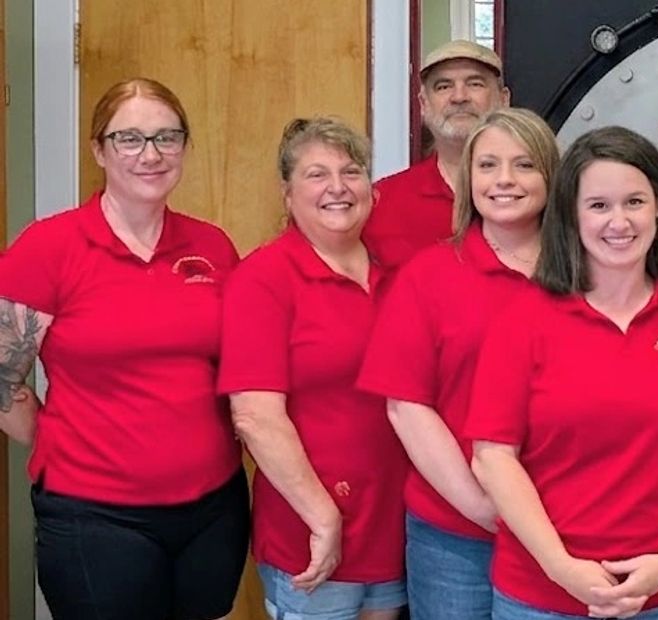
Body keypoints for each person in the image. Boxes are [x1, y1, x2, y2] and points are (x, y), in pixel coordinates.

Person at [466, 126, 658, 619]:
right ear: (571, 215)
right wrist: (562, 568)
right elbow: (492, 458)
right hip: (542, 597)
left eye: (634, 202)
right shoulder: (523, 320)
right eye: (598, 205)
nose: (619, 221)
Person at [0, 77, 249, 619]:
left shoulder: (212, 246)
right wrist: (58, 439)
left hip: (214, 509)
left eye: (166, 137)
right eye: (129, 138)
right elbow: (1, 376)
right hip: (95, 516)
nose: (150, 154)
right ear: (99, 150)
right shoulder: (50, 247)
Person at [356, 107, 559, 619]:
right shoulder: (429, 275)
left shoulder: (588, 275)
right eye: (488, 165)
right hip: (456, 538)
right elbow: (406, 407)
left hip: (568, 528)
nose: (504, 180)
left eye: (524, 164)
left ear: (552, 176)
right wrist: (483, 508)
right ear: (468, 179)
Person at [219, 117, 406, 619]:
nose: (337, 187)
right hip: (311, 531)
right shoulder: (263, 279)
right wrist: (323, 519)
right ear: (287, 195)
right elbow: (255, 417)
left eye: (351, 172)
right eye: (317, 174)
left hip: (391, 527)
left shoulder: (398, 274)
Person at [364, 39, 511, 268]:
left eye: (475, 84)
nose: (459, 97)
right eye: (443, 86)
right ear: (423, 104)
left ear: (503, 99)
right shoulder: (380, 202)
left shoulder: (533, 196)